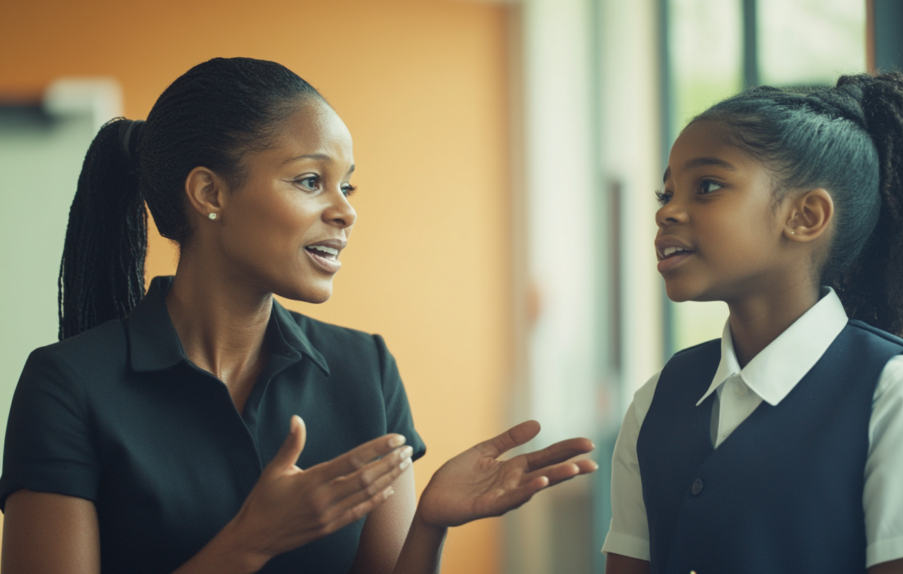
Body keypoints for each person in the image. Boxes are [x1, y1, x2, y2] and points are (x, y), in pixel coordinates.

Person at [0, 57, 597, 574]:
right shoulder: (66, 385)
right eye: (311, 180)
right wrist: (250, 542)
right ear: (210, 194)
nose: (345, 212)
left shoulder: (367, 369)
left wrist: (431, 523)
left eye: (348, 187)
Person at [602, 72, 903, 574]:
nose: (668, 212)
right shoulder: (655, 401)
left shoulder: (902, 393)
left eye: (707, 186)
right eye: (666, 194)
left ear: (805, 216)